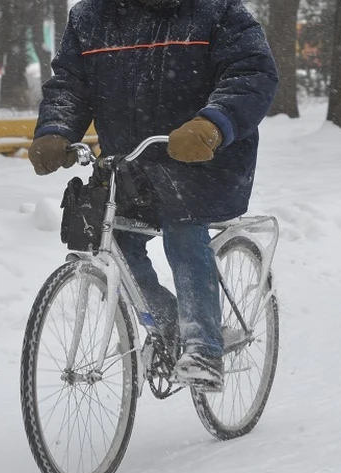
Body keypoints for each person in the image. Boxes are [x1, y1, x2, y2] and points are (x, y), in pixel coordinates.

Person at [28, 0, 278, 391]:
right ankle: (166, 322)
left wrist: (212, 124)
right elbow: (70, 85)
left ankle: (203, 347)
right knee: (113, 241)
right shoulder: (90, 16)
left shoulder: (216, 9)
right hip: (130, 162)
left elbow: (251, 74)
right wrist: (56, 128)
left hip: (206, 158)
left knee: (182, 228)